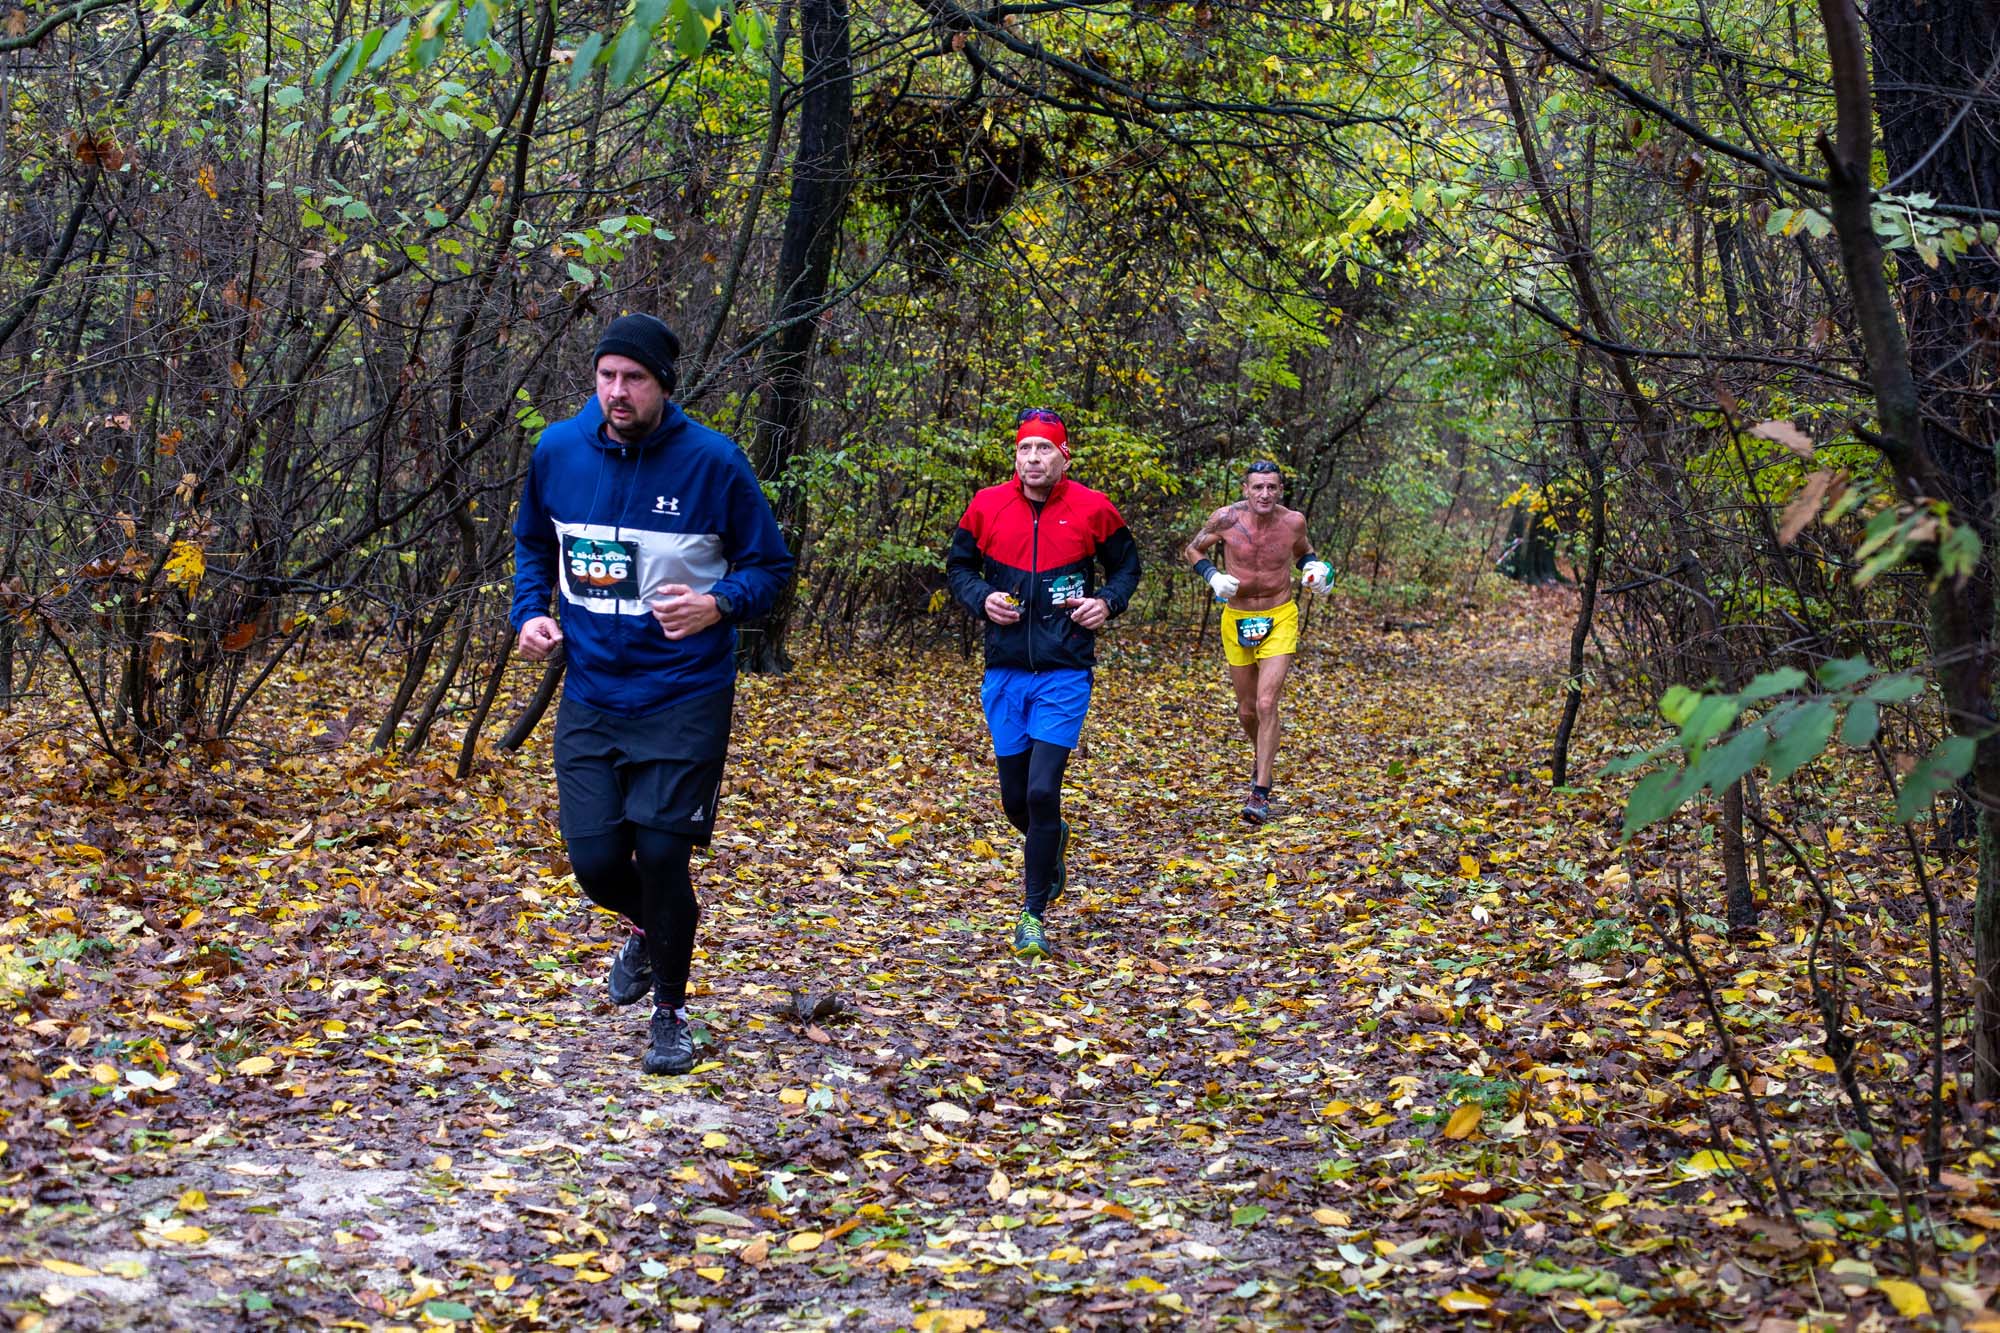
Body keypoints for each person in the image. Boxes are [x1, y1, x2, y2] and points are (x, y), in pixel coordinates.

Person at [511, 313, 794, 1075]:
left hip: (684, 691)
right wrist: (530, 612)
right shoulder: (559, 450)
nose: (617, 391)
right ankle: (646, 928)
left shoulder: (714, 463)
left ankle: (669, 1012)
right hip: (594, 690)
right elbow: (535, 542)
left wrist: (718, 603)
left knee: (664, 853)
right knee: (599, 863)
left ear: (664, 384)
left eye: (633, 378)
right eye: (606, 376)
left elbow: (772, 568)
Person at [946, 408, 1143, 959]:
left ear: (1064, 457)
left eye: (1044, 449)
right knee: (1016, 801)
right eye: (1025, 448)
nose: (1033, 458)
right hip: (1005, 671)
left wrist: (1107, 601)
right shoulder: (987, 505)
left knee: (1040, 790)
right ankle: (1049, 845)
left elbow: (1128, 568)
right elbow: (958, 567)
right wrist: (979, 598)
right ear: (1016, 456)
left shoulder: (1094, 508)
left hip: (1065, 670)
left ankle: (1032, 913)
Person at [1183, 460, 1330, 824]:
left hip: (1280, 615)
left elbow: (1304, 553)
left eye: (1272, 487)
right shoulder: (1226, 519)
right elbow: (1193, 550)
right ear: (1246, 489)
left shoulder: (1293, 521)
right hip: (1238, 617)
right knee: (1247, 710)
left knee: (1267, 703)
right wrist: (1213, 576)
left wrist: (1315, 571)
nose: (1265, 493)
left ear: (1280, 490)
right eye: (1258, 487)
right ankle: (1261, 755)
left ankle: (1260, 791)